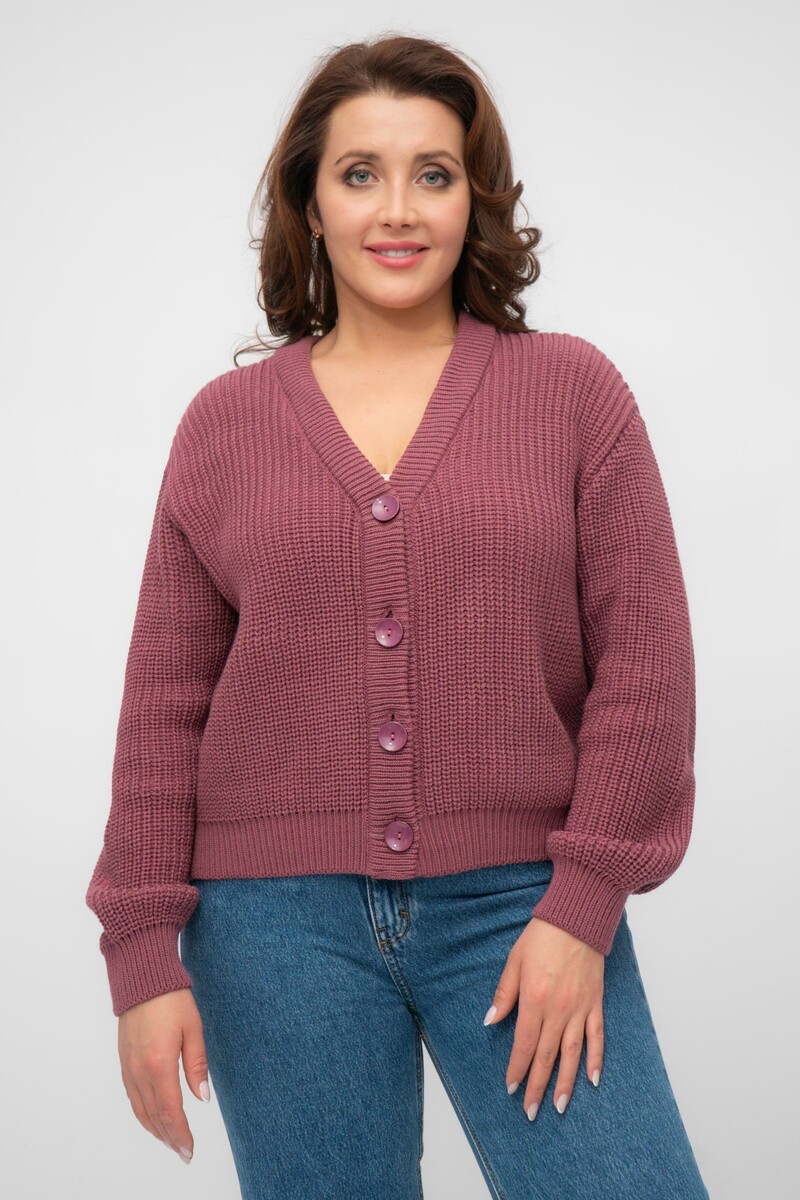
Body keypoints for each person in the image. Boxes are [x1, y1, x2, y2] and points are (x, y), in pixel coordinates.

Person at [86, 32, 710, 1200]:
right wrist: (139, 953)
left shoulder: (571, 394)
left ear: (475, 199)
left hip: (522, 905)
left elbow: (644, 671)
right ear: (309, 203)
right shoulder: (224, 425)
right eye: (358, 173)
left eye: (433, 173)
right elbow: (164, 704)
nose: (397, 209)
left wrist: (582, 909)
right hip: (272, 930)